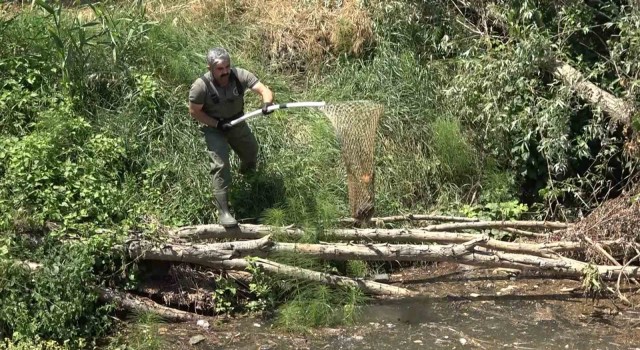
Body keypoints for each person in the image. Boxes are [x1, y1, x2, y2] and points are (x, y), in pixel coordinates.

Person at [188, 47, 274, 227]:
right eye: (220, 69)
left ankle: (248, 181)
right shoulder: (200, 86)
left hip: (237, 122)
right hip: (214, 128)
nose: (225, 72)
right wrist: (217, 124)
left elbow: (264, 90)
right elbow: (194, 112)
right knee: (221, 165)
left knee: (251, 151)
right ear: (210, 68)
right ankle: (224, 211)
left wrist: (267, 103)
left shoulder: (239, 75)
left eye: (227, 67)